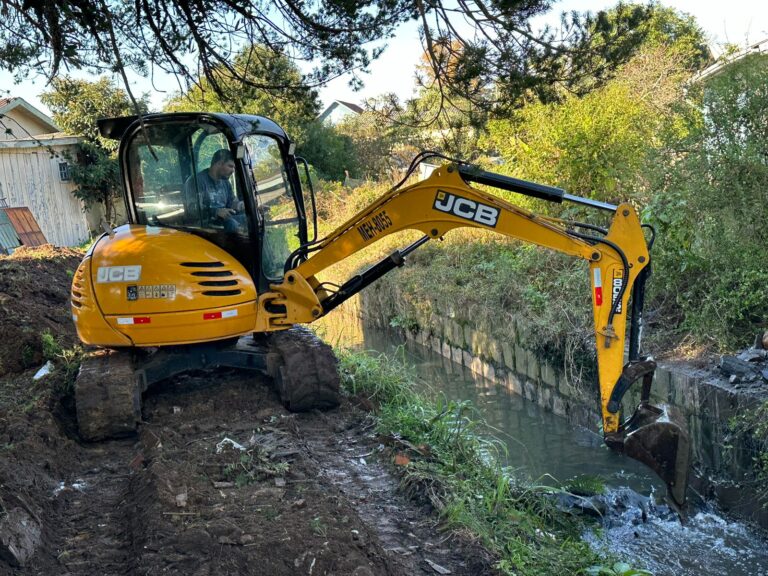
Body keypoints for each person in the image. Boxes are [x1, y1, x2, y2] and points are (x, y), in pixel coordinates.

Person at [186, 149, 244, 232]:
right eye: (230, 166)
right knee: (232, 224)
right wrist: (216, 212)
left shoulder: (225, 182)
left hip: (224, 220)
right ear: (219, 163)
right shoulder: (196, 181)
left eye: (234, 167)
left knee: (249, 218)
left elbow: (232, 202)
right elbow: (193, 209)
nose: (233, 171)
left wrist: (242, 205)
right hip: (206, 225)